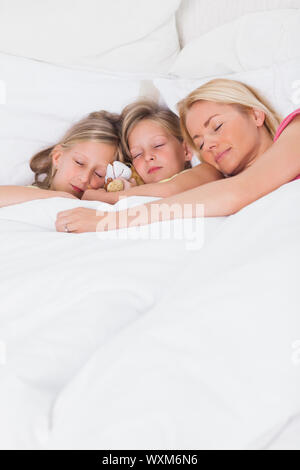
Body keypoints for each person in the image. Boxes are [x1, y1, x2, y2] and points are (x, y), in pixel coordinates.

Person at [55, 79, 300, 233]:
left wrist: (108, 221)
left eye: (216, 127)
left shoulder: (296, 129)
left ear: (256, 115)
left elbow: (239, 191)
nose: (210, 145)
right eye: (199, 142)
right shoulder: (214, 182)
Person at [80, 99, 223, 204]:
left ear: (185, 150)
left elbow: (170, 191)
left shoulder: (207, 171)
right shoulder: (135, 189)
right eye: (137, 154)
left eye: (158, 145)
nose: (148, 157)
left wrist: (104, 198)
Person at [0, 110, 122, 208]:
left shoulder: (99, 208)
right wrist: (60, 197)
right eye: (79, 163)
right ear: (58, 157)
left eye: (99, 174)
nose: (85, 178)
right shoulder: (29, 194)